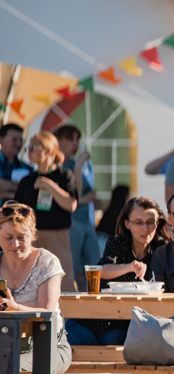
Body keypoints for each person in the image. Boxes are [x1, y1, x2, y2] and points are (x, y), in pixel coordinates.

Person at [0, 202, 72, 374]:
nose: (16, 243)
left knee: (13, 367)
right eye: (8, 237)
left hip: (50, 346)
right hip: (6, 346)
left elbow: (46, 310)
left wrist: (15, 307)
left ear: (33, 235)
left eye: (22, 237)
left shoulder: (47, 262)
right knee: (8, 364)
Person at [66, 196, 172, 345]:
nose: (145, 228)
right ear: (127, 224)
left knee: (112, 342)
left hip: (124, 325)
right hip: (92, 319)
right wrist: (130, 266)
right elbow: (102, 271)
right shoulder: (117, 243)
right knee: (77, 337)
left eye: (150, 222)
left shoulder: (161, 250)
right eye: (139, 222)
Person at [14, 132, 78, 292]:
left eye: (33, 148)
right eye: (28, 148)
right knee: (30, 283)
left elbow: (71, 204)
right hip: (31, 237)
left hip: (58, 237)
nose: (28, 151)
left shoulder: (65, 176)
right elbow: (17, 211)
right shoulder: (27, 180)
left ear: (48, 151)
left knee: (63, 281)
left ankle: (66, 317)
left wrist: (50, 186)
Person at [53, 124, 100, 292]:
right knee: (69, 269)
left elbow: (91, 195)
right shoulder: (55, 166)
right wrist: (79, 167)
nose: (75, 143)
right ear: (58, 141)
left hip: (85, 222)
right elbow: (79, 195)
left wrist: (78, 199)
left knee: (97, 265)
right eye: (70, 139)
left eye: (77, 139)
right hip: (69, 223)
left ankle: (96, 310)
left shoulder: (74, 163)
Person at [0, 124, 33, 202]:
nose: (18, 144)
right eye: (14, 139)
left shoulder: (27, 168)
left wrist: (4, 192)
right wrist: (20, 187)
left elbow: (30, 192)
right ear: (1, 139)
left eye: (21, 140)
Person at [95, 185, 130, 252]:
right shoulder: (121, 214)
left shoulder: (110, 211)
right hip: (104, 242)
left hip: (99, 239)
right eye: (128, 196)